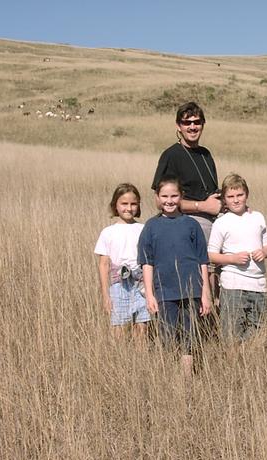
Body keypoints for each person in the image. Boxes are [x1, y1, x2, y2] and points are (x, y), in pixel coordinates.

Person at [138, 176, 211, 375]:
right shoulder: (151, 226)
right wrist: (150, 294)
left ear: (181, 196)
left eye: (174, 196)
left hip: (191, 289)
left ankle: (186, 377)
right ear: (157, 198)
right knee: (167, 335)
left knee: (190, 335)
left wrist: (205, 293)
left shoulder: (191, 224)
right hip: (164, 291)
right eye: (164, 196)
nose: (169, 200)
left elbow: (202, 261)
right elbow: (147, 262)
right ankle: (167, 375)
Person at [207, 173, 267, 342]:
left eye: (240, 195)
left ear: (247, 194)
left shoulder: (257, 217)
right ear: (224, 199)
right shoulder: (221, 223)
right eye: (230, 196)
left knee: (259, 333)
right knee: (232, 334)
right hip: (233, 284)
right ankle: (232, 364)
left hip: (258, 284)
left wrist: (264, 252)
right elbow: (211, 255)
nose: (236, 200)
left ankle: (252, 364)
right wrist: (232, 259)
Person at [151, 101, 221, 241]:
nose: (192, 127)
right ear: (178, 126)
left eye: (197, 122)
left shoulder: (205, 154)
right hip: (188, 224)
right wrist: (203, 206)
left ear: (203, 124)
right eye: (187, 123)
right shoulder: (171, 156)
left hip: (216, 221)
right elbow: (160, 202)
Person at [94, 183, 149, 341]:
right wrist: (106, 295)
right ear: (115, 206)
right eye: (124, 204)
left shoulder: (143, 229)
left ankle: (141, 360)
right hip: (118, 284)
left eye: (133, 204)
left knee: (142, 327)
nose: (129, 208)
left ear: (138, 206)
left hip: (141, 284)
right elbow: (104, 264)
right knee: (119, 329)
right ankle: (119, 359)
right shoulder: (108, 232)